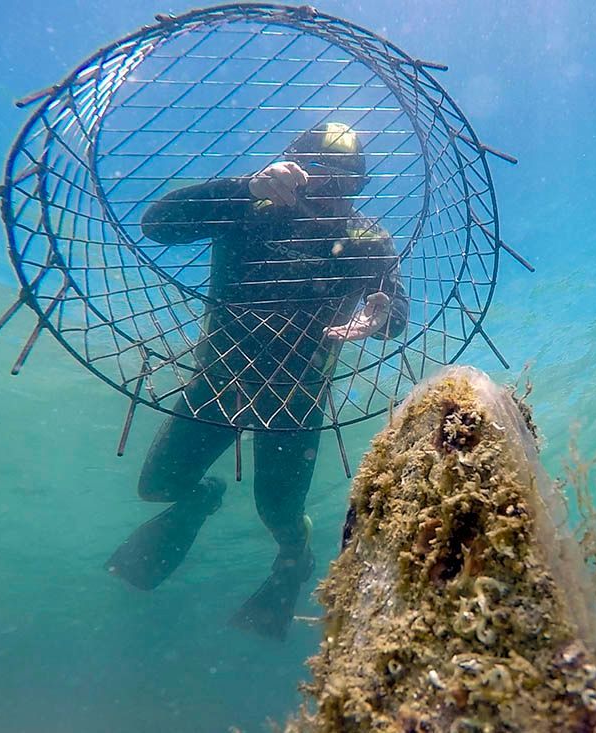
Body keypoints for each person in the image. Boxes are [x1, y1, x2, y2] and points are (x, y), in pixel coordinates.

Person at [105, 122, 408, 640]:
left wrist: (381, 314)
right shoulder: (248, 206)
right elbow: (157, 224)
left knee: (279, 513)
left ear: (358, 187)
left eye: (347, 182)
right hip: (220, 382)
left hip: (297, 400)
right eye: (320, 175)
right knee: (157, 487)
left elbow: (395, 311)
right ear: (294, 168)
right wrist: (243, 187)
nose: (332, 191)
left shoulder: (367, 239)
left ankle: (295, 557)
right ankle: (204, 498)